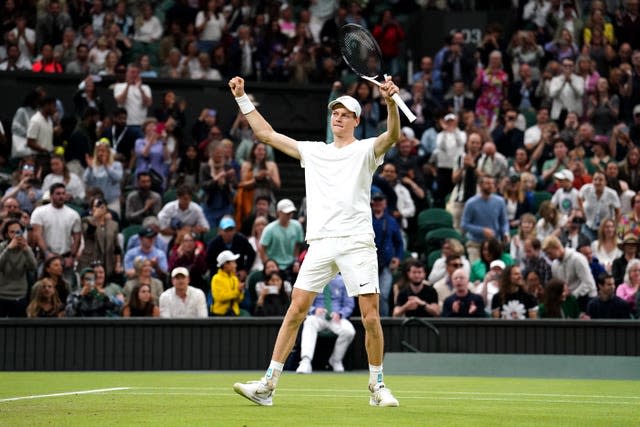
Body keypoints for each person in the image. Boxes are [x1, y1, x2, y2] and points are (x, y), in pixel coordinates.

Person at [230, 75, 401, 406]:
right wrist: (241, 98)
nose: (337, 117)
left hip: (356, 241)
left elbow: (392, 135)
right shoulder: (313, 151)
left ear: (356, 120)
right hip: (321, 242)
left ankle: (377, 386)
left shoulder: (366, 150)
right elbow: (265, 134)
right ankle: (267, 386)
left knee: (370, 317)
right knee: (295, 310)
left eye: (344, 113)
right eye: (334, 113)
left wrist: (391, 103)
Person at [295, 273, 355, 374]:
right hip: (318, 316)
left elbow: (349, 305)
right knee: (309, 321)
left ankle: (336, 360)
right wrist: (314, 310)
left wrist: (340, 314)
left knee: (349, 331)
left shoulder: (344, 281)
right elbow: (304, 302)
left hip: (336, 318)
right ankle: (305, 361)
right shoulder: (314, 279)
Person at [30, 183, 81, 288]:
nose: (61, 196)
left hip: (65, 258)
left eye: (63, 193)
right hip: (45, 258)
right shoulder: (39, 212)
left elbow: (77, 238)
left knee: (67, 290)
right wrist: (47, 253)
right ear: (51, 195)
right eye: (58, 194)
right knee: (42, 289)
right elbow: (37, 234)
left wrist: (72, 256)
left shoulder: (73, 214)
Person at [461, 176, 510, 263]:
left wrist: (506, 232)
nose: (491, 186)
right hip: (476, 243)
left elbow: (504, 222)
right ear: (480, 186)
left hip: (494, 243)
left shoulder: (500, 201)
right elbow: (464, 224)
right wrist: (482, 230)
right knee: (478, 269)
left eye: (492, 183)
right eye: (487, 183)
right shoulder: (471, 203)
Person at [542, 236, 597, 312]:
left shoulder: (578, 259)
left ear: (557, 248)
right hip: (568, 300)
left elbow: (588, 283)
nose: (549, 257)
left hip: (586, 299)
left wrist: (572, 296)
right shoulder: (554, 264)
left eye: (549, 253)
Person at [371, 190, 404, 317]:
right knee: (368, 296)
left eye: (381, 201)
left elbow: (399, 243)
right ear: (372, 203)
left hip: (385, 264)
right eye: (376, 201)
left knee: (383, 295)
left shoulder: (391, 221)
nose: (378, 203)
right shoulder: (365, 220)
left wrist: (398, 258)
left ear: (385, 203)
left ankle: (383, 323)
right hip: (368, 264)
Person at [0, 219, 37, 317]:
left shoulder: (26, 249)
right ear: (6, 234)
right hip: (1, 293)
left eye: (18, 232)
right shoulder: (2, 248)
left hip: (19, 294)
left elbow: (33, 267)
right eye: (11, 232)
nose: (15, 235)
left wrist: (26, 250)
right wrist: (8, 249)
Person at [258, 199, 305, 275]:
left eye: (291, 212)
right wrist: (268, 264)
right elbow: (262, 248)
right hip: (274, 267)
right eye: (287, 213)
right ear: (278, 212)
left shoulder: (297, 226)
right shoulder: (269, 229)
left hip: (291, 266)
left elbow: (297, 245)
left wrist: (296, 260)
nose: (289, 215)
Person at [206, 217, 256, 284]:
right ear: (220, 231)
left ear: (235, 230)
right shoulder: (213, 244)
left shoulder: (241, 240)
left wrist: (245, 270)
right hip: (219, 277)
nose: (229, 233)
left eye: (231, 230)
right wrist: (224, 274)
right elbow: (210, 262)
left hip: (238, 274)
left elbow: (251, 254)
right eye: (226, 230)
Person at [83, 139, 124, 216]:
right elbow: (87, 181)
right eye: (99, 151)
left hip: (112, 202)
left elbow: (117, 178)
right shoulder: (92, 166)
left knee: (113, 224)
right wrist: (90, 169)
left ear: (108, 152)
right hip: (97, 203)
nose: (101, 153)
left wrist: (106, 166)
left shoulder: (116, 165)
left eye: (103, 151)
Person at [210, 250, 244, 316]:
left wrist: (240, 291)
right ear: (225, 264)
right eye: (233, 262)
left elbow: (239, 299)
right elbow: (220, 297)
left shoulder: (234, 278)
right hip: (219, 315)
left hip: (234, 313)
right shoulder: (216, 278)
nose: (236, 265)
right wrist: (237, 291)